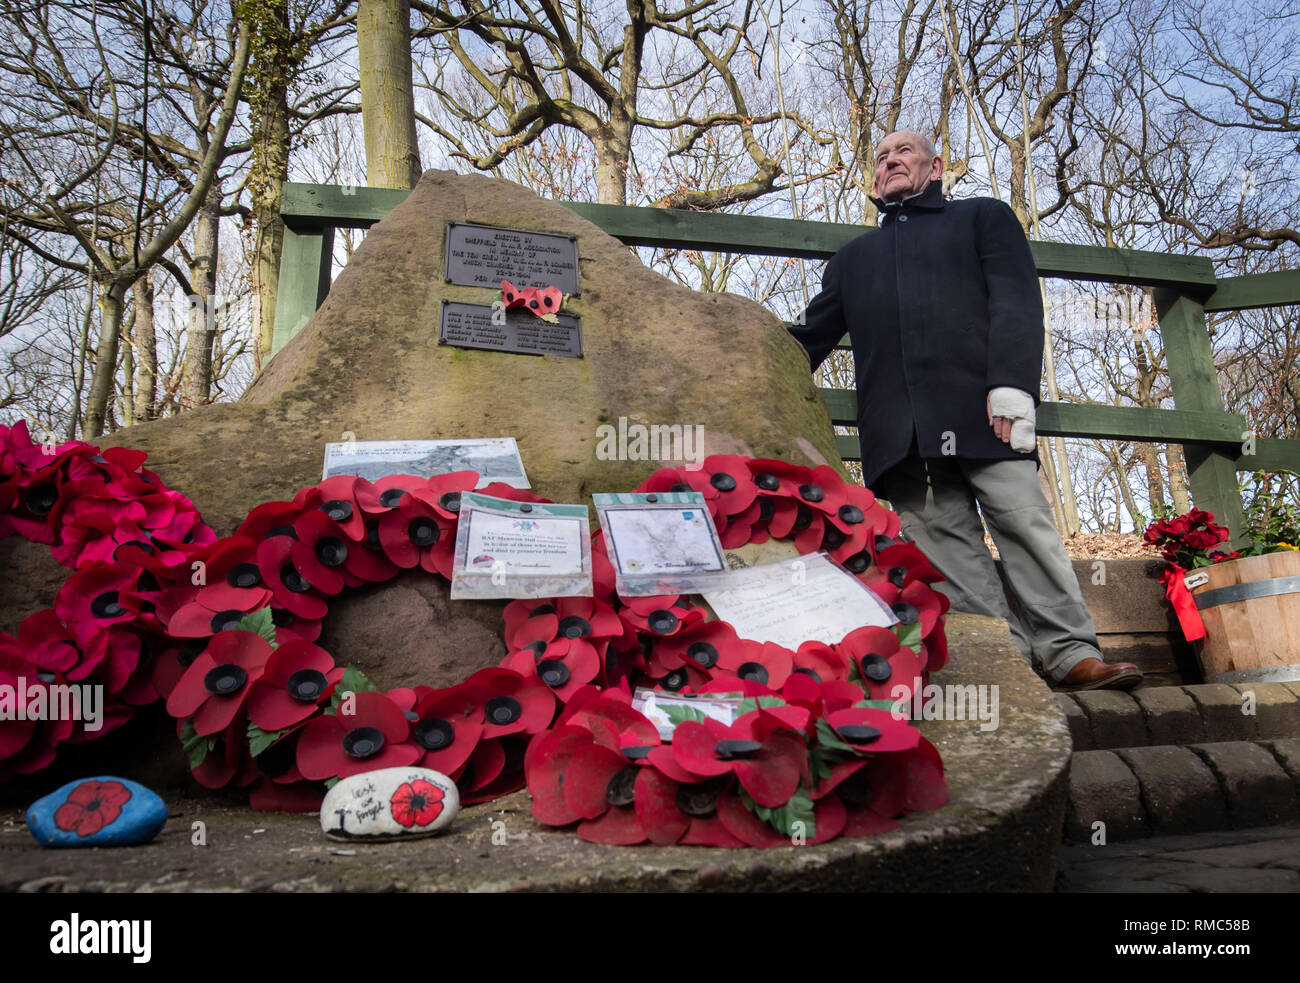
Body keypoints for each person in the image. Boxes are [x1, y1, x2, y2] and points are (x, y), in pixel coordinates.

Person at [789, 129, 1141, 692]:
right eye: (881, 158)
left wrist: (1011, 386)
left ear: (936, 166)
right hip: (901, 439)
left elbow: (1016, 300)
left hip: (986, 415)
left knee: (1026, 526)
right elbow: (808, 339)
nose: (891, 162)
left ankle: (1070, 651)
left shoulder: (983, 218)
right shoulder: (853, 259)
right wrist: (745, 352)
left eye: (903, 152)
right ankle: (1008, 664)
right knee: (949, 556)